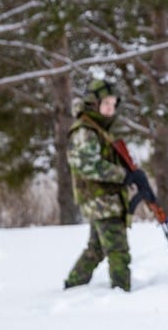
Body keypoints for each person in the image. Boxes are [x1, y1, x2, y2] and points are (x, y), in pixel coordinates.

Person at [64, 77, 152, 292]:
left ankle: (73, 286)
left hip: (106, 198)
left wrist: (133, 173)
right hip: (100, 199)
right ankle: (122, 291)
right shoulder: (85, 130)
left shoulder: (100, 128)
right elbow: (87, 165)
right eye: (106, 104)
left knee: (96, 248)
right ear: (93, 103)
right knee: (117, 248)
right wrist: (123, 175)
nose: (110, 109)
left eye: (113, 105)